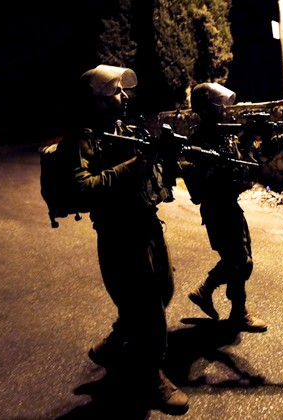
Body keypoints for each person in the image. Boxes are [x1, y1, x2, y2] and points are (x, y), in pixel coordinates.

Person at [70, 64, 188, 415]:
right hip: (119, 234)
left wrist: (167, 156)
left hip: (148, 224)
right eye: (115, 92)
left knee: (164, 290)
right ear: (97, 101)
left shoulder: (127, 129)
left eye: (123, 90)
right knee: (149, 309)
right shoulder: (84, 139)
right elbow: (82, 187)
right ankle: (151, 376)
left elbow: (156, 170)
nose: (124, 96)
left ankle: (114, 342)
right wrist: (133, 166)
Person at [181, 82, 268, 333]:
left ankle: (226, 304)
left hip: (230, 205)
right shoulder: (199, 140)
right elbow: (201, 178)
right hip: (217, 209)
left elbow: (246, 162)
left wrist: (252, 138)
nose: (224, 109)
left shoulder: (225, 135)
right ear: (205, 108)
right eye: (219, 105)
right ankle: (229, 306)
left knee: (241, 260)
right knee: (240, 260)